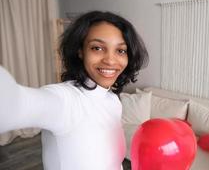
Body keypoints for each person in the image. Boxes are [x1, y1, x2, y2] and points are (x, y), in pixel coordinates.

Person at [0, 11, 148, 170]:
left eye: (121, 51)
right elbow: (14, 103)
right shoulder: (65, 99)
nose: (110, 60)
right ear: (80, 51)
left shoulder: (112, 99)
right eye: (97, 48)